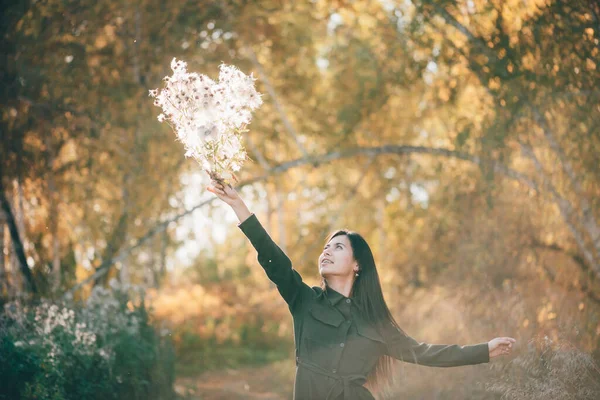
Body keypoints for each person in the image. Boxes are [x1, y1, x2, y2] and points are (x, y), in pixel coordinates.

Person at [207, 179, 516, 400]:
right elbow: (272, 258)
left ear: (357, 264)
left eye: (337, 247)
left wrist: (484, 350)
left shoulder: (375, 323)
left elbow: (424, 352)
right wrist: (239, 206)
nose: (326, 252)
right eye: (325, 247)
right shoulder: (304, 300)